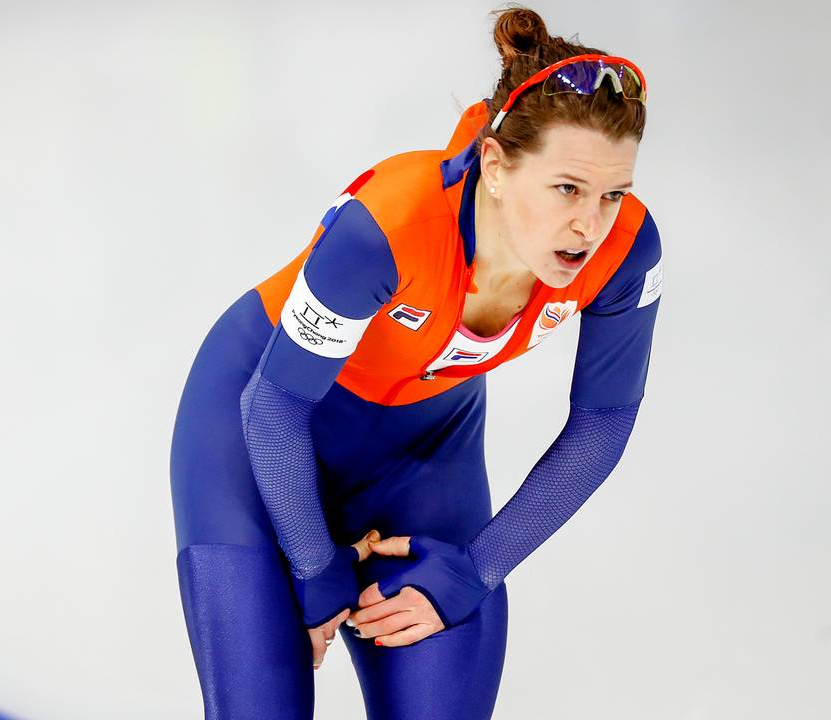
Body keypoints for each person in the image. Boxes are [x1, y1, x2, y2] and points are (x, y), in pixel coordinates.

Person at [169, 6, 661, 719]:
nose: (591, 225)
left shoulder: (624, 252)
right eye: (567, 189)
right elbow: (272, 409)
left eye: (613, 193)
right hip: (257, 431)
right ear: (495, 165)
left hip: (422, 458)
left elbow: (603, 424)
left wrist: (477, 567)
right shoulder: (393, 225)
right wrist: (313, 563)